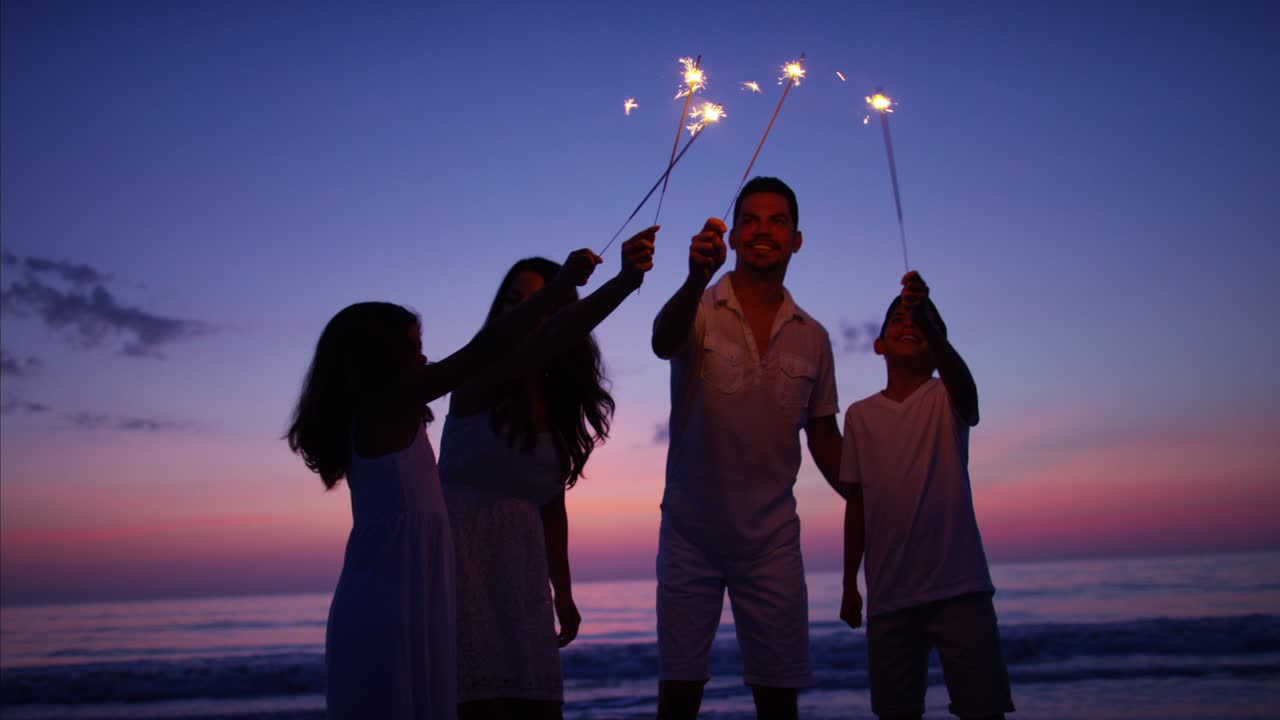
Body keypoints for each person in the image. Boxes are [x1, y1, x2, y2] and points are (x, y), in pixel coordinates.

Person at [285, 248, 600, 720]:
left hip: (414, 596)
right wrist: (561, 292)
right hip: (389, 605)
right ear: (379, 360)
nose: (425, 356)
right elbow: (484, 351)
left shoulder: (396, 415)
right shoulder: (383, 407)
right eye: (414, 348)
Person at [440, 228, 657, 719]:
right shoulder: (474, 382)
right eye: (514, 303)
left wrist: (564, 591)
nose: (526, 313)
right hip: (460, 580)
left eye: (540, 302)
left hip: (523, 588)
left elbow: (551, 508)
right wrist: (622, 281)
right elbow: (538, 340)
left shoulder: (558, 406)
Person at [651, 177, 845, 720]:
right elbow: (662, 340)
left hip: (773, 541)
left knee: (778, 698)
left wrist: (869, 494)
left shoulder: (815, 336)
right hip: (690, 534)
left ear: (797, 240)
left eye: (777, 220)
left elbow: (824, 435)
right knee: (679, 695)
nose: (764, 230)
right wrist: (693, 279)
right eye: (752, 220)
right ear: (733, 236)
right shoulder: (700, 306)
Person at [838, 271, 1014, 720]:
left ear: (937, 344)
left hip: (960, 588)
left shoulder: (946, 397)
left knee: (983, 708)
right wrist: (848, 584)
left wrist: (930, 324)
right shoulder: (860, 416)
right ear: (877, 345)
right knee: (897, 712)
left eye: (920, 320)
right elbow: (857, 503)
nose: (909, 324)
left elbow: (969, 394)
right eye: (898, 318)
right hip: (889, 594)